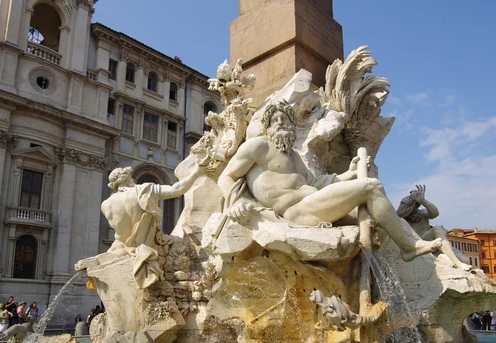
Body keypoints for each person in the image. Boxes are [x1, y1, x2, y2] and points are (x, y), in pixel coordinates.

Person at [218, 101, 442, 262]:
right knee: (372, 187)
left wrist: (350, 173)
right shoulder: (258, 146)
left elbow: (318, 183)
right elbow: (226, 176)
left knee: (378, 223)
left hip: (313, 202)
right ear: (267, 127)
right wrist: (235, 202)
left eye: (284, 120)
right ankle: (408, 247)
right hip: (296, 212)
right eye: (274, 120)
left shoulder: (294, 156)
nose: (280, 124)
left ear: (291, 126)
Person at [102, 160, 208, 288]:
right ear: (126, 179)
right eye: (131, 177)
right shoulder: (143, 190)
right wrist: (197, 171)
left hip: (120, 249)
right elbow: (178, 189)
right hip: (147, 249)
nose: (133, 180)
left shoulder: (106, 204)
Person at [397, 186, 472, 270]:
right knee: (437, 228)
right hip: (421, 244)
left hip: (437, 244)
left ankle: (444, 257)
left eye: (416, 206)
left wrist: (423, 201)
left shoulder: (421, 213)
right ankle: (456, 262)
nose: (414, 210)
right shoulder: (402, 219)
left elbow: (435, 213)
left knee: (466, 260)